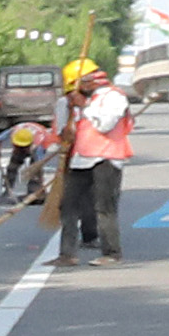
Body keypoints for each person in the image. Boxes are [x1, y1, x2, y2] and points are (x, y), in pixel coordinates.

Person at [59, 55, 136, 260]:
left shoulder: (113, 97)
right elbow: (78, 129)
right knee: (67, 206)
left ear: (86, 81)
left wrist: (84, 106)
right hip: (82, 158)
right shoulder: (85, 101)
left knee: (104, 208)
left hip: (107, 159)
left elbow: (105, 124)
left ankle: (112, 253)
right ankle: (67, 254)